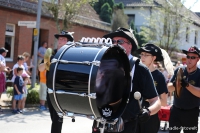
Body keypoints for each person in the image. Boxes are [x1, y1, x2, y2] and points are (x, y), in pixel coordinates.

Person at [92, 27, 161, 133]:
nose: (115, 44)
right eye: (113, 41)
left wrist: (148, 111)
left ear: (130, 46)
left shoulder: (140, 69)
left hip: (127, 126)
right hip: (101, 122)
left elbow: (156, 101)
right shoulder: (101, 65)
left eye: (120, 41)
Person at [38, 30, 74, 133]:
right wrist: (49, 61)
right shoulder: (50, 53)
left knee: (57, 119)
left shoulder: (70, 55)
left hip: (61, 90)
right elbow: (40, 69)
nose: (60, 41)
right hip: (50, 90)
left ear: (68, 42)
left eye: (64, 39)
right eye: (59, 39)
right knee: (54, 118)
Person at [167, 46, 200, 133]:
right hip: (176, 111)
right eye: (188, 56)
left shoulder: (199, 73)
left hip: (191, 113)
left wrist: (187, 85)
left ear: (198, 59)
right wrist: (176, 83)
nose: (189, 59)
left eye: (193, 57)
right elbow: (169, 88)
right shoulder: (179, 70)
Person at [137, 43, 168, 133]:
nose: (143, 57)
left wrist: (149, 99)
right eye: (142, 54)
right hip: (134, 116)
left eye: (146, 55)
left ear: (154, 58)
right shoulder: (137, 72)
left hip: (150, 117)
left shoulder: (159, 76)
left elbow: (164, 102)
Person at [0, 47, 10, 112]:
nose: (6, 53)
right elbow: (1, 67)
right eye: (5, 52)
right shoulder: (1, 58)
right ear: (3, 53)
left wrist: (6, 68)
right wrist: (7, 70)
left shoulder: (2, 58)